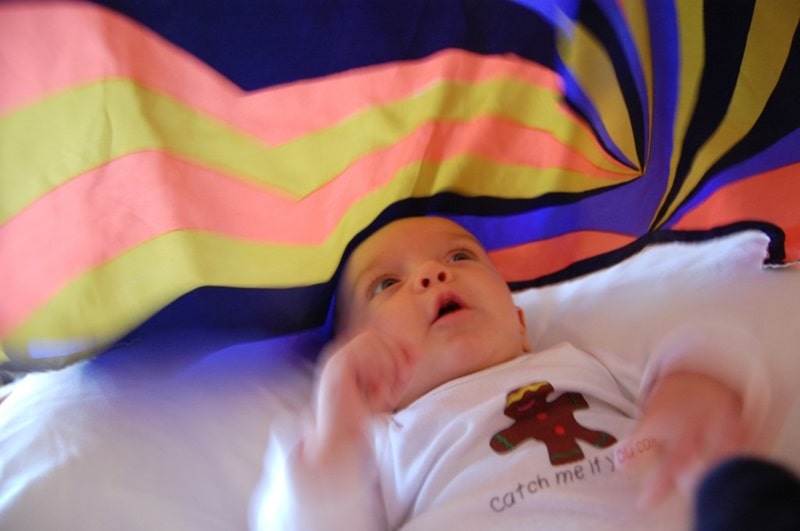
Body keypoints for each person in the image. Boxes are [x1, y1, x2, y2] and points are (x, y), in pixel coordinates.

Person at [250, 216, 769, 530]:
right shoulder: (381, 439)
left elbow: (704, 342)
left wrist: (688, 390)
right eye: (385, 284)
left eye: (460, 255)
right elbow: (312, 520)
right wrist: (335, 427)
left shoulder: (582, 364)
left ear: (520, 323)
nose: (434, 274)